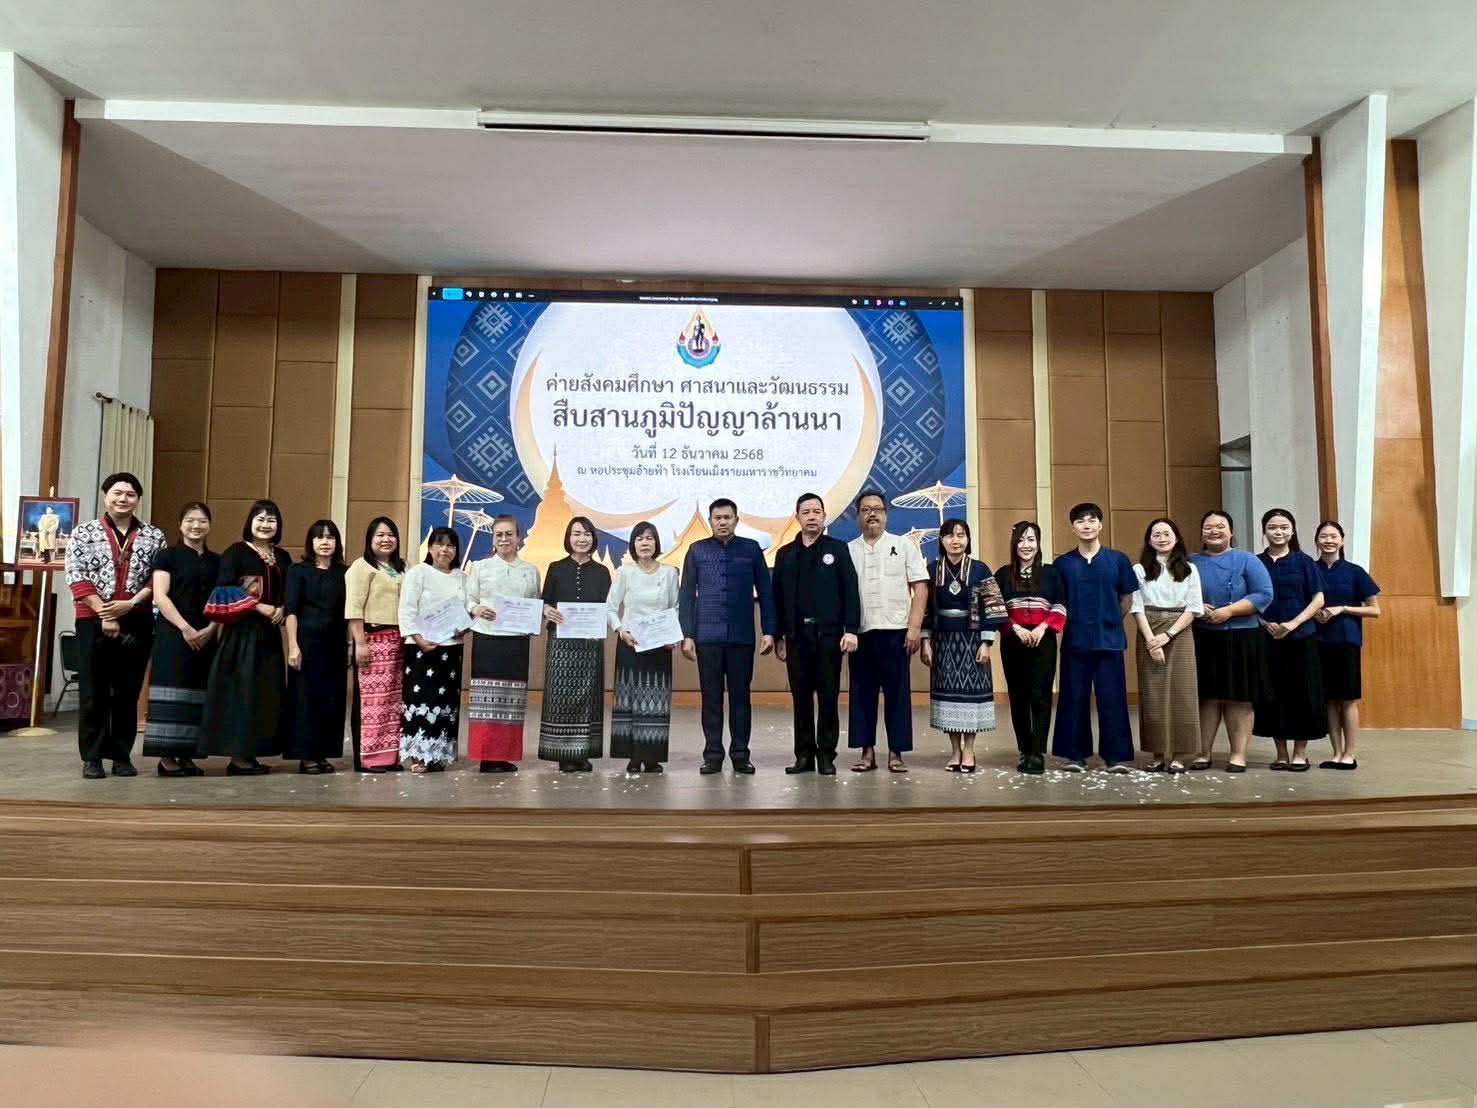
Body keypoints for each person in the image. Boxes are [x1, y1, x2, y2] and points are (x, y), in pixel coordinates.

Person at [64, 472, 166, 779]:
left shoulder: (154, 536)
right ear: (105, 495)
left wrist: (132, 604)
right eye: (117, 493)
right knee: (93, 691)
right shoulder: (83, 532)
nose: (123, 499)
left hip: (137, 619)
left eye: (130, 494)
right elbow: (76, 574)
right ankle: (92, 757)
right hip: (92, 619)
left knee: (127, 691)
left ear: (138, 499)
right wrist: (105, 614)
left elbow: (158, 579)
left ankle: (121, 755)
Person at [679, 498, 777, 774]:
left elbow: (766, 592)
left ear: (736, 519)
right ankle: (712, 755)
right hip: (707, 636)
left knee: (740, 698)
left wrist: (769, 630)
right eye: (717, 518)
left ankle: (740, 755)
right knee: (710, 699)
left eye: (727, 517)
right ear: (710, 521)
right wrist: (687, 635)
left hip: (741, 637)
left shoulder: (751, 549)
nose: (722, 522)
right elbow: (686, 595)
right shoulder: (696, 550)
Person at [199, 500, 291, 774]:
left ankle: (252, 753)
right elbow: (224, 588)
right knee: (241, 693)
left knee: (264, 694)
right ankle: (237, 758)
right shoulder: (236, 552)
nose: (265, 525)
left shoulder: (282, 556)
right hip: (241, 635)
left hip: (270, 636)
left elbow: (290, 590)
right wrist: (259, 606)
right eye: (260, 519)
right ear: (250, 522)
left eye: (271, 520)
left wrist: (283, 607)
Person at [772, 493, 860, 776]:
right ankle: (803, 755)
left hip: (829, 636)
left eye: (816, 512)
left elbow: (850, 591)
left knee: (828, 697)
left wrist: (851, 630)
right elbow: (776, 598)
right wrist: (778, 636)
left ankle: (826, 756)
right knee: (800, 699)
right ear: (797, 517)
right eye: (806, 512)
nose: (811, 517)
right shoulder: (785, 554)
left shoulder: (838, 549)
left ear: (824, 516)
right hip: (797, 637)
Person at [1050, 502, 1140, 772]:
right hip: (1075, 641)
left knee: (1112, 699)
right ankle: (1075, 755)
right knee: (1073, 698)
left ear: (1100, 525)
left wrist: (1111, 620)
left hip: (1109, 641)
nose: (1086, 525)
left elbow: (1127, 598)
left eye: (1091, 520)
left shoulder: (1118, 560)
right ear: (1072, 527)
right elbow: (1058, 602)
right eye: (1080, 521)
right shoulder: (1063, 564)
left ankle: (1115, 757)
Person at [847, 490, 928, 773]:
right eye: (865, 510)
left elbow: (920, 588)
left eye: (877, 509)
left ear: (886, 514)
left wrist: (914, 628)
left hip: (897, 632)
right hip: (861, 633)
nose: (872, 514)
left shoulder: (904, 545)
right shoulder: (849, 550)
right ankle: (866, 751)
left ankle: (896, 752)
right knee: (862, 694)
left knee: (898, 693)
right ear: (857, 516)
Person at [920, 518, 1008, 773]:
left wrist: (986, 643)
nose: (955, 540)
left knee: (971, 696)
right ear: (941, 540)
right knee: (948, 697)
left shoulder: (980, 569)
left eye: (961, 535)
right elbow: (924, 609)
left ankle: (969, 750)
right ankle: (954, 751)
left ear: (968, 539)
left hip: (972, 641)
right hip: (943, 641)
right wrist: (925, 641)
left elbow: (993, 606)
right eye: (949, 535)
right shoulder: (931, 569)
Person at [1189, 510, 1273, 773]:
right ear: (1201, 531)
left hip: (1242, 636)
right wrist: (1197, 607)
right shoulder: (1190, 561)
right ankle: (1203, 752)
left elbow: (1264, 594)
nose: (1214, 531)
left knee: (1240, 698)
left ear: (1231, 531)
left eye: (1220, 526)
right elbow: (1180, 594)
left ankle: (1238, 754)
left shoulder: (1247, 559)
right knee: (1207, 697)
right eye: (1208, 527)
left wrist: (1229, 611)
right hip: (1202, 636)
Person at [141, 501, 219, 777]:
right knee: (172, 693)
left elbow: (222, 599)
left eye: (202, 521)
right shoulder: (167, 556)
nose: (196, 526)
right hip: (173, 633)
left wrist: (211, 629)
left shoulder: (217, 561)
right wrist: (185, 628)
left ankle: (187, 754)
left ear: (210, 525)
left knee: (198, 694)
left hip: (207, 634)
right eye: (190, 520)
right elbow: (160, 596)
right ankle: (167, 758)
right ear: (180, 524)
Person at [465, 514, 541, 772]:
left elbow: (535, 602)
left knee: (512, 699)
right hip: (487, 639)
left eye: (509, 534)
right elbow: (469, 599)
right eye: (499, 534)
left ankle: (504, 754)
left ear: (518, 538)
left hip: (517, 642)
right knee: (487, 699)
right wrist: (476, 608)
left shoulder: (530, 570)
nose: (504, 539)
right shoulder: (480, 567)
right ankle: (486, 756)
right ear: (493, 539)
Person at [1253, 508, 1326, 770]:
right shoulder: (1256, 562)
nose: (1278, 532)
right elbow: (1249, 597)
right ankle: (1281, 752)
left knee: (1301, 694)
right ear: (1264, 531)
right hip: (1266, 637)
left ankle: (1300, 752)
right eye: (1272, 527)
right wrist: (1265, 623)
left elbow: (1318, 598)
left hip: (1301, 637)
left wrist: (1293, 624)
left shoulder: (1304, 561)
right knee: (1272, 694)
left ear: (1292, 531)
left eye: (1284, 527)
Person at [1130, 519, 1204, 773]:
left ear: (1176, 537)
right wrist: (1152, 640)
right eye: (1156, 534)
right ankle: (1159, 754)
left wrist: (1168, 635)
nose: (1162, 538)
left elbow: (1194, 608)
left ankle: (1181, 755)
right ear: (1149, 540)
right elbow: (1137, 607)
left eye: (1166, 533)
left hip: (1180, 631)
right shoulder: (1139, 569)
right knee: (1152, 694)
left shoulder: (1190, 569)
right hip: (1148, 629)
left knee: (1183, 693)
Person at [539, 516, 612, 772]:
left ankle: (583, 753)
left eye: (587, 534)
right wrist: (547, 610)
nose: (582, 539)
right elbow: (544, 601)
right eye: (576, 533)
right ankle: (563, 754)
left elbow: (608, 607)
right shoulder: (556, 568)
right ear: (568, 538)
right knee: (561, 697)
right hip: (561, 643)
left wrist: (600, 624)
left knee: (589, 697)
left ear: (594, 538)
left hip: (590, 644)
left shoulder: (602, 572)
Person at [607, 520, 681, 774]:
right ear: (633, 544)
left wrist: (673, 636)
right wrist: (621, 630)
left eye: (649, 538)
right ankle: (633, 756)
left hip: (660, 646)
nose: (645, 543)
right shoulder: (624, 572)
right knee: (630, 700)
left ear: (656, 542)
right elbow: (610, 607)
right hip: (630, 644)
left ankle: (652, 757)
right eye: (639, 538)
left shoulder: (669, 572)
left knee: (655, 700)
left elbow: (676, 607)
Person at [994, 521, 1065, 776]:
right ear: (1014, 544)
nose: (1026, 545)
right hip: (1013, 640)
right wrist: (1017, 629)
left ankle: (1038, 752)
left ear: (1038, 543)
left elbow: (1060, 605)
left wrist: (1042, 628)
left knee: (1041, 695)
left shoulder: (1051, 573)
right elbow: (995, 608)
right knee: (1018, 696)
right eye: (1021, 540)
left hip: (1043, 640)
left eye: (1031, 539)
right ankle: (1024, 749)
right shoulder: (1003, 574)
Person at [398, 526, 468, 773]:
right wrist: (417, 638)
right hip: (422, 648)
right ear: (430, 547)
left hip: (451, 649)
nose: (445, 550)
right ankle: (419, 755)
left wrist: (463, 627)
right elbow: (406, 608)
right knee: (422, 699)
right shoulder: (418, 573)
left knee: (446, 703)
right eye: (439, 544)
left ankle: (438, 755)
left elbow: (467, 610)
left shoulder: (461, 577)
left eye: (450, 545)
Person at [1312, 520, 1380, 770]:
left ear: (1342, 540)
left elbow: (1375, 610)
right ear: (1316, 540)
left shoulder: (1355, 571)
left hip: (1346, 641)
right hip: (1318, 641)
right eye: (1323, 536)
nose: (1328, 540)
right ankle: (1336, 752)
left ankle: (1350, 753)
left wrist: (1342, 608)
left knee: (1348, 699)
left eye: (1333, 536)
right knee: (1329, 700)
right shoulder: (1311, 569)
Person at [282, 520, 348, 774]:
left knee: (331, 699)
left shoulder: (344, 573)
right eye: (319, 537)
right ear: (311, 542)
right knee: (305, 700)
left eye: (330, 537)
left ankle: (323, 753)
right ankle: (306, 755)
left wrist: (350, 645)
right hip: (307, 644)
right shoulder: (298, 571)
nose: (325, 542)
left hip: (335, 644)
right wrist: (293, 646)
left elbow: (349, 613)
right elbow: (291, 611)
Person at [345, 517, 407, 773]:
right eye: (380, 535)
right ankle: (368, 758)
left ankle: (390, 757)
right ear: (370, 539)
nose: (386, 539)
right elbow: (353, 608)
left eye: (390, 534)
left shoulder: (402, 567)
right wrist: (359, 643)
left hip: (400, 641)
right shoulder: (361, 567)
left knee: (394, 703)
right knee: (373, 703)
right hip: (372, 640)